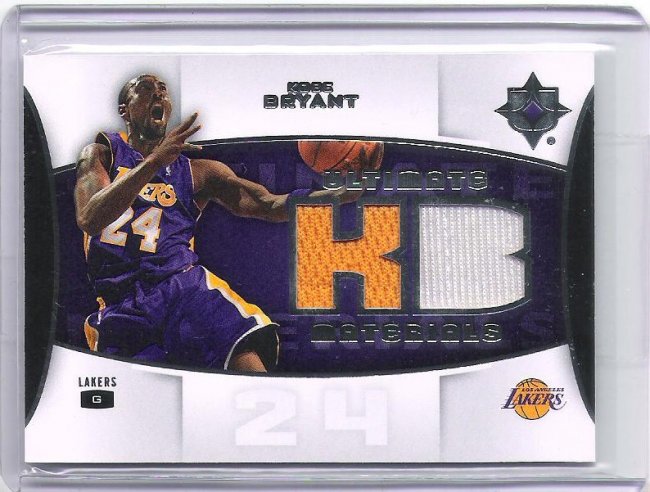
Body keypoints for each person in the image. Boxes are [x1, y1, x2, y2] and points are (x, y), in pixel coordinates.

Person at [74, 74, 363, 372]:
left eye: (163, 90)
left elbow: (268, 204)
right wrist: (154, 162)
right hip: (121, 305)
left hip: (180, 287)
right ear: (124, 110)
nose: (158, 94)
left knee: (245, 358)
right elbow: (90, 218)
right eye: (146, 89)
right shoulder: (103, 154)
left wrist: (338, 195)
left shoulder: (197, 172)